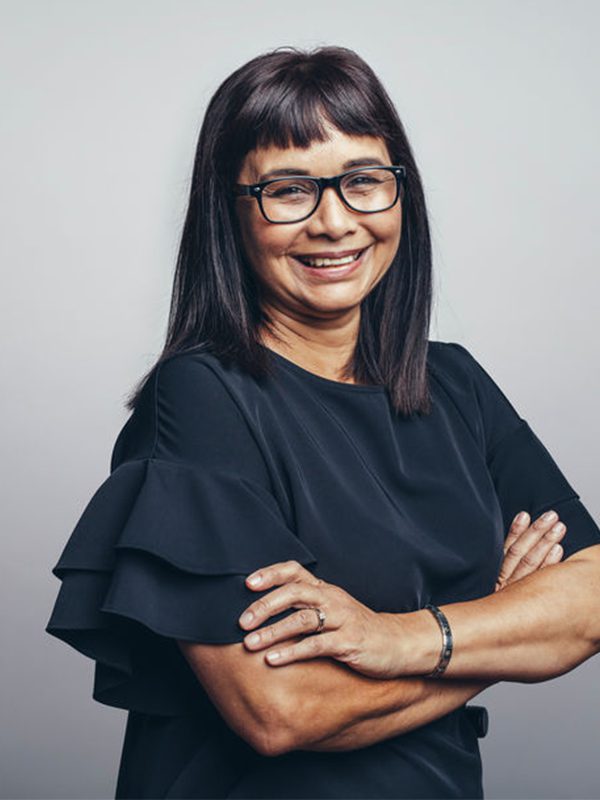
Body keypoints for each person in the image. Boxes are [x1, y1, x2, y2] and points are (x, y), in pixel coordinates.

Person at [45, 45, 600, 799]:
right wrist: (507, 626)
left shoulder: (457, 384)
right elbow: (283, 709)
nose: (334, 223)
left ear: (401, 193)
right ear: (229, 210)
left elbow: (591, 602)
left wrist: (400, 638)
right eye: (288, 190)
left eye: (363, 181)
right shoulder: (202, 397)